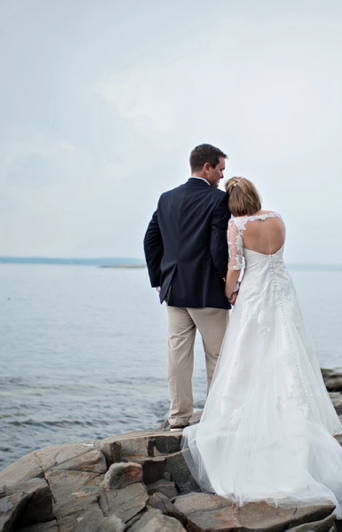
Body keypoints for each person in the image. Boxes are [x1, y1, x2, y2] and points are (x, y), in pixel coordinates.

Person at [181, 177, 342, 519]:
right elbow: (275, 255)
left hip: (256, 292)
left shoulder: (236, 225)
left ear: (232, 202)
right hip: (283, 289)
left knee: (250, 350)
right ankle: (298, 407)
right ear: (255, 196)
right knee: (289, 346)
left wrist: (229, 292)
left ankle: (248, 411)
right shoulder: (277, 218)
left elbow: (235, 266)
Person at [143, 144, 234, 432]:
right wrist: (226, 285)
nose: (221, 176)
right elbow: (218, 248)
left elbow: (150, 239)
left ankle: (178, 419)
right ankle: (217, 417)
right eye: (220, 169)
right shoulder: (218, 200)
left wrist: (159, 278)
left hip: (173, 291)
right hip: (206, 291)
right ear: (206, 167)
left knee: (178, 355)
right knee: (219, 355)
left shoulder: (166, 198)